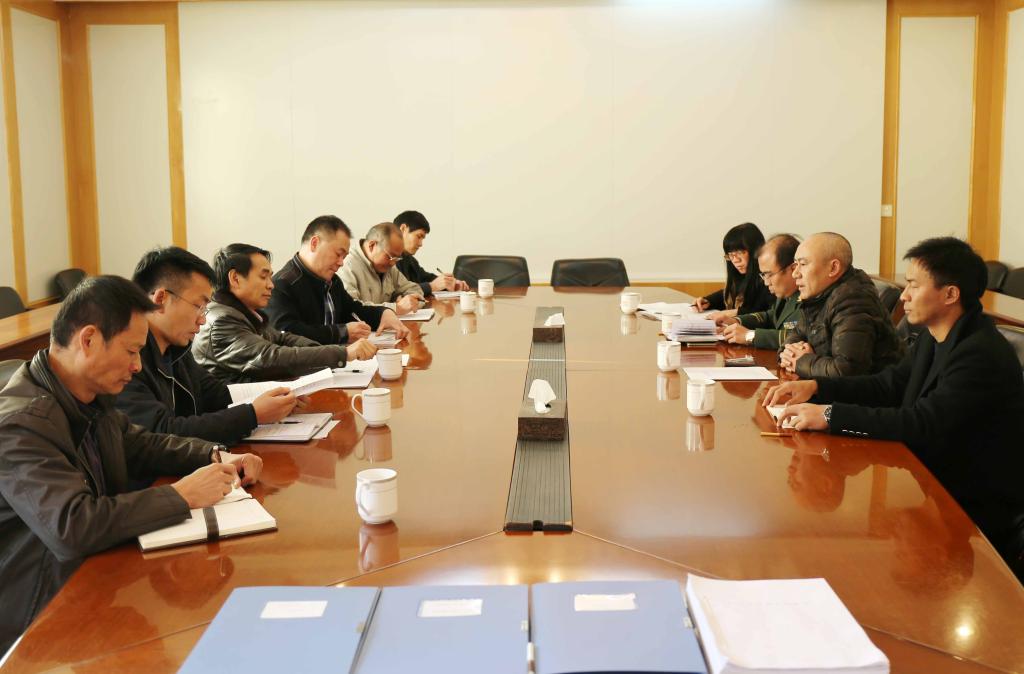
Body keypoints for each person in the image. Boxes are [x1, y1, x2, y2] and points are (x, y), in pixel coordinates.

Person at [0, 276, 263, 653]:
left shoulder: (86, 393)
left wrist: (214, 455)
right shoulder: (21, 425)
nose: (138, 366)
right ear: (88, 340)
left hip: (93, 576)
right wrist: (181, 495)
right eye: (131, 351)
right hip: (37, 613)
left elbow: (139, 443)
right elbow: (72, 526)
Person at [766, 237, 1024, 580]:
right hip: (934, 478)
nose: (903, 297)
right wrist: (817, 387)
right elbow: (889, 386)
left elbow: (922, 423)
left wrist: (829, 415)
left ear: (950, 294)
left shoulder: (979, 353)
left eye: (914, 286)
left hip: (973, 505)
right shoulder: (935, 335)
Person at [117, 247, 299, 445]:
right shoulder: (125, 360)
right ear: (161, 300)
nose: (203, 320)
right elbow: (163, 433)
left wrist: (281, 394)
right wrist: (253, 415)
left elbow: (217, 394)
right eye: (199, 306)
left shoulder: (177, 350)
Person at [192, 244, 377, 383]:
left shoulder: (244, 312)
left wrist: (325, 353)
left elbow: (282, 339)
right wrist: (343, 354)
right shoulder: (221, 321)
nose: (271, 285)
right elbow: (271, 357)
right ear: (235, 278)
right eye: (263, 276)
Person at [266, 215, 409, 345]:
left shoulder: (332, 281)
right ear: (314, 243)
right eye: (338, 254)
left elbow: (352, 310)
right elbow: (286, 334)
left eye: (344, 257)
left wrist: (383, 313)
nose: (341, 263)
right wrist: (340, 333)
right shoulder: (280, 285)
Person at [779, 232, 902, 377]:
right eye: (796, 265)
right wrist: (788, 353)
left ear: (833, 268)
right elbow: (797, 333)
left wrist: (802, 361)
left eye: (803, 264)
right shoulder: (819, 295)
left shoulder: (854, 300)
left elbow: (847, 370)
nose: (795, 274)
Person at [717, 234, 801, 349]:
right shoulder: (786, 293)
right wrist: (736, 321)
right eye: (763, 275)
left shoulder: (809, 295)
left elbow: (801, 337)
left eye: (769, 274)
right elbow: (771, 317)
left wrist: (750, 335)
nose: (766, 282)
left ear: (793, 269)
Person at [340, 222, 424, 315]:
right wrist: (395, 308)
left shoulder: (389, 266)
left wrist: (407, 300)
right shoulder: (346, 266)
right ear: (372, 245)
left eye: (397, 258)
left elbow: (414, 289)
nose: (393, 263)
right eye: (390, 256)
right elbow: (351, 309)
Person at [695, 222, 773, 317]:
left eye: (740, 252)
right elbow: (728, 294)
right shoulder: (740, 278)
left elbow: (769, 314)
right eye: (731, 255)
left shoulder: (769, 280)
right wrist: (708, 301)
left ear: (755, 251)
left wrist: (735, 313)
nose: (735, 260)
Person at [393, 210, 469, 296]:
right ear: (403, 229)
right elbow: (398, 292)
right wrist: (433, 286)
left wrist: (449, 282)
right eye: (419, 236)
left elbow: (426, 278)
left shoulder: (409, 259)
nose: (421, 244)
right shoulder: (389, 260)